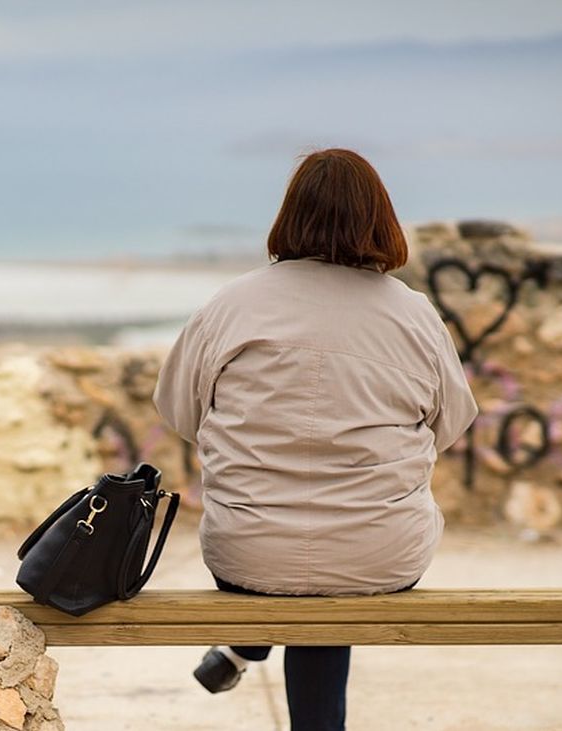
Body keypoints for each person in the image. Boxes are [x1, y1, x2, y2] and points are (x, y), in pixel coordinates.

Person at [152, 148, 477, 731]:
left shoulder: (230, 304)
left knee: (302, 576)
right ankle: (261, 667)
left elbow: (179, 412)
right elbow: (450, 422)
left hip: (247, 551)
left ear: (289, 217)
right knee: (335, 575)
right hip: (381, 553)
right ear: (380, 219)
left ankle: (246, 647)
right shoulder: (414, 315)